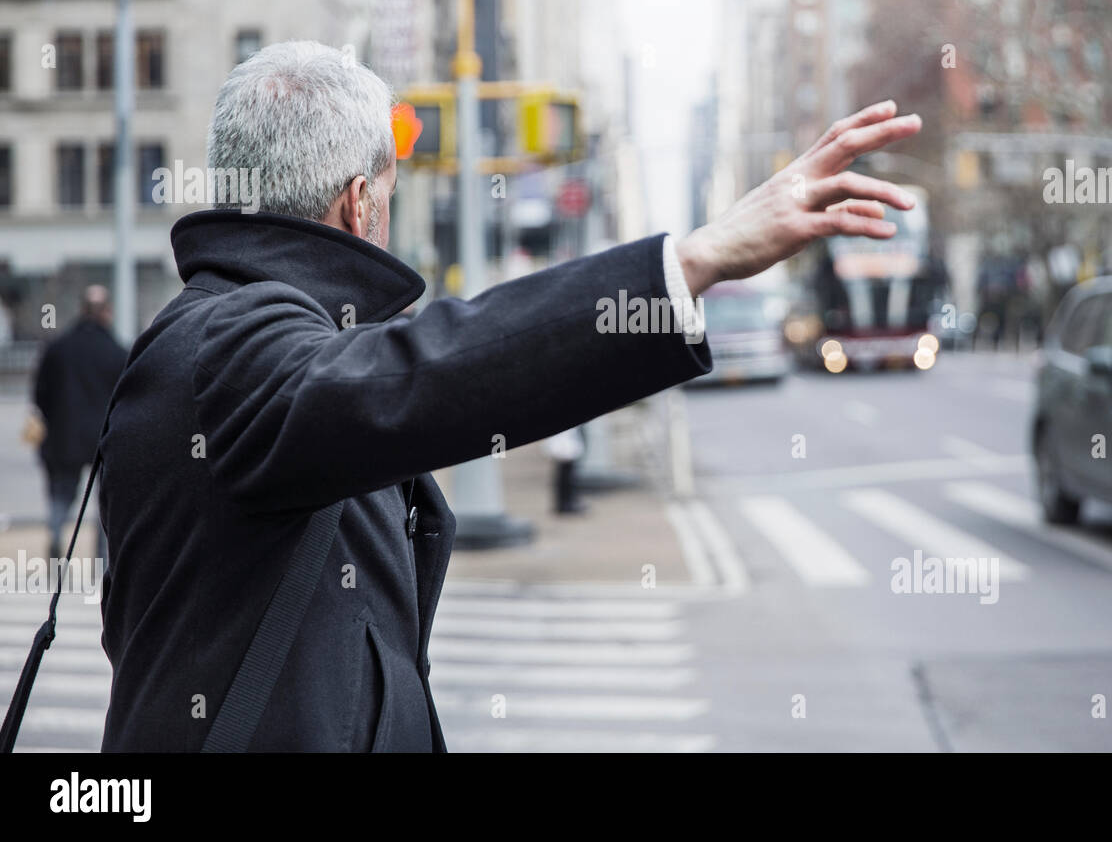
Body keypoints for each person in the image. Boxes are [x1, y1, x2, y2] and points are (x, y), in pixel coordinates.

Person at [96, 41, 921, 751]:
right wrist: (691, 262)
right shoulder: (234, 343)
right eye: (390, 187)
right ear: (360, 201)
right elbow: (429, 376)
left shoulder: (211, 337)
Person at [32, 285, 127, 563]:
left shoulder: (58, 349)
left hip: (64, 436)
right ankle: (101, 556)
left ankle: (56, 532)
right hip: (104, 438)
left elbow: (40, 394)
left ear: (81, 310)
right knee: (104, 501)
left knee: (62, 493)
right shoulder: (116, 352)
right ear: (107, 313)